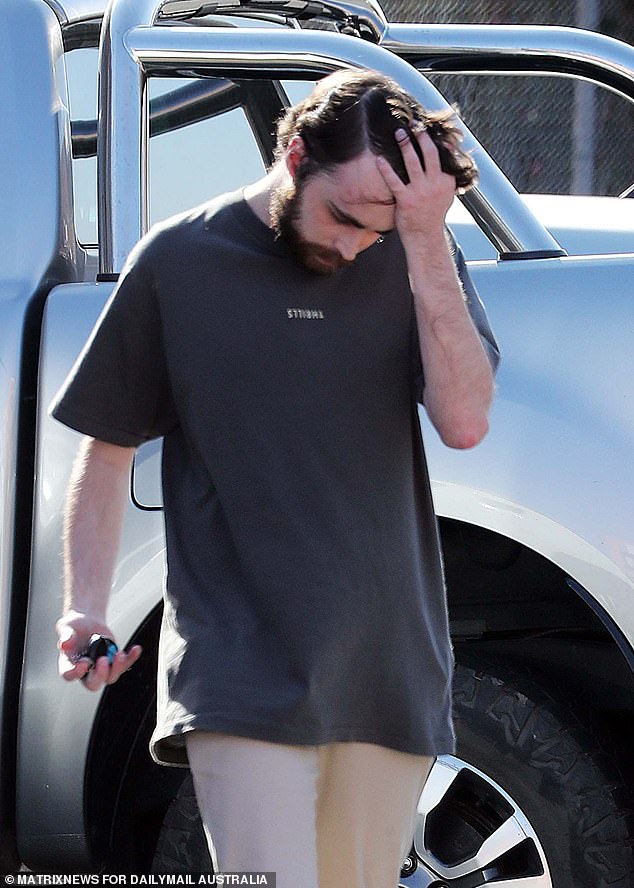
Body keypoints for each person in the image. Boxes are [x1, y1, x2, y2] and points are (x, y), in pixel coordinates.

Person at [52, 68, 499, 888]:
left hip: (387, 669)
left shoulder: (416, 250)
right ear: (294, 155)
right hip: (238, 666)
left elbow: (465, 422)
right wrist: (83, 606)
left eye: (380, 227)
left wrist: (428, 238)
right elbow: (106, 446)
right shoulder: (180, 261)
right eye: (343, 217)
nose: (356, 244)